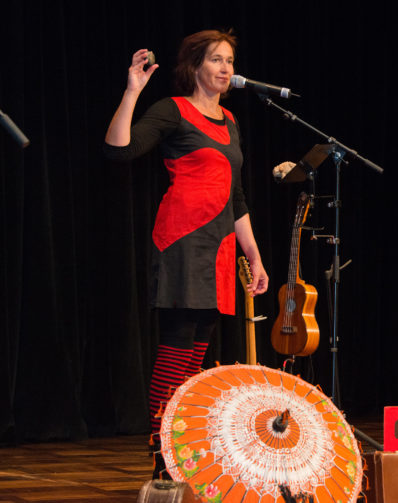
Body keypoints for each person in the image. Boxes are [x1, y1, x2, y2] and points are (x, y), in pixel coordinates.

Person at [104, 29, 268, 478]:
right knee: (177, 348)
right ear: (195, 65)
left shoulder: (230, 121)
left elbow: (236, 197)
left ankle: (178, 447)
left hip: (219, 246)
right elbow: (120, 150)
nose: (225, 69)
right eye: (216, 59)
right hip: (181, 240)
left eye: (230, 61)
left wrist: (253, 256)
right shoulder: (173, 110)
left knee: (197, 353)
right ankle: (162, 452)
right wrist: (132, 91)